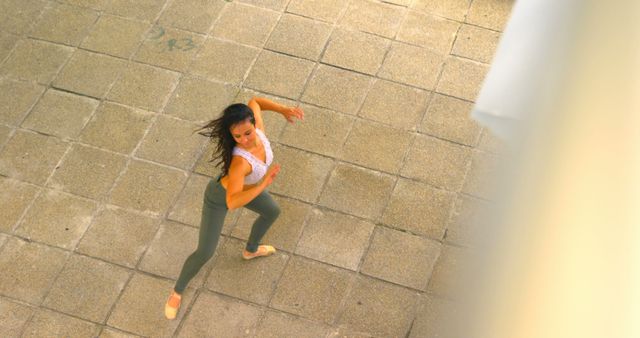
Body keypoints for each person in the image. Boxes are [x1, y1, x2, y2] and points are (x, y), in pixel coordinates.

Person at [164, 97, 304, 319]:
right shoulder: (240, 162)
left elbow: (255, 101)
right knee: (205, 252)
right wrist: (264, 184)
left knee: (272, 211)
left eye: (247, 133)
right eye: (237, 137)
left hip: (246, 190)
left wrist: (283, 109)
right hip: (221, 198)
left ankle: (250, 250)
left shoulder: (258, 127)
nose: (244, 140)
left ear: (254, 124)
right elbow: (233, 202)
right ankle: (177, 291)